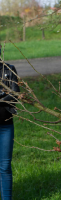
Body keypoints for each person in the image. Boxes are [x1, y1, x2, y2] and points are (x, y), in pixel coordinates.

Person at [0, 60, 20, 200]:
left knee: (5, 165)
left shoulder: (9, 69)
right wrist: (2, 96)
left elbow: (14, 95)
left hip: (6, 125)